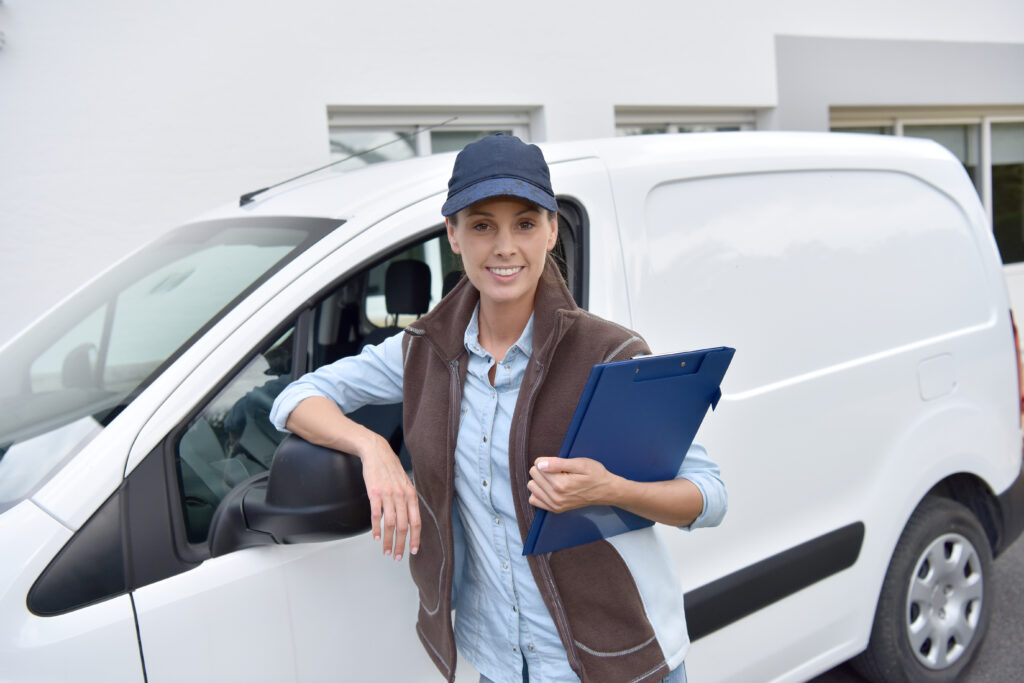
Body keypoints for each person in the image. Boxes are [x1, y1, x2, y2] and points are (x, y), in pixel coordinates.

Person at [269, 134, 726, 683]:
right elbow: (296, 398)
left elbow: (708, 496)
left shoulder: (608, 353)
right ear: (453, 236)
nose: (504, 246)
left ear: (552, 230)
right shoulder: (425, 350)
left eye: (525, 223)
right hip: (500, 665)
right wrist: (374, 450)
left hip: (616, 664)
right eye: (482, 225)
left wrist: (608, 490)